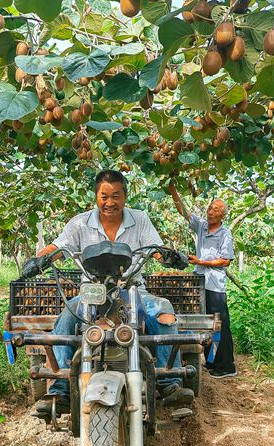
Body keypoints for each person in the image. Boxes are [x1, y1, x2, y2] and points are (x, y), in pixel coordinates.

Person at [22, 170, 195, 418]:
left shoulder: (140, 219)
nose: (110, 202)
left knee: (164, 312)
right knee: (65, 320)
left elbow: (156, 248)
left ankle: (169, 384)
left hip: (132, 288)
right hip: (92, 292)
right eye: (104, 196)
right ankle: (62, 390)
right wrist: (39, 260)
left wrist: (169, 255)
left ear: (125, 196)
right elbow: (59, 247)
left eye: (116, 196)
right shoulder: (80, 223)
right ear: (96, 197)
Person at [168, 183, 236, 378]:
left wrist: (200, 261)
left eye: (216, 209)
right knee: (205, 324)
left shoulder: (225, 234)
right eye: (209, 208)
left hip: (215, 286)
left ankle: (226, 366)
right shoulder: (202, 227)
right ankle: (212, 363)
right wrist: (173, 189)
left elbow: (225, 261)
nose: (210, 211)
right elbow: (185, 213)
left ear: (222, 215)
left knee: (218, 325)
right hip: (199, 285)